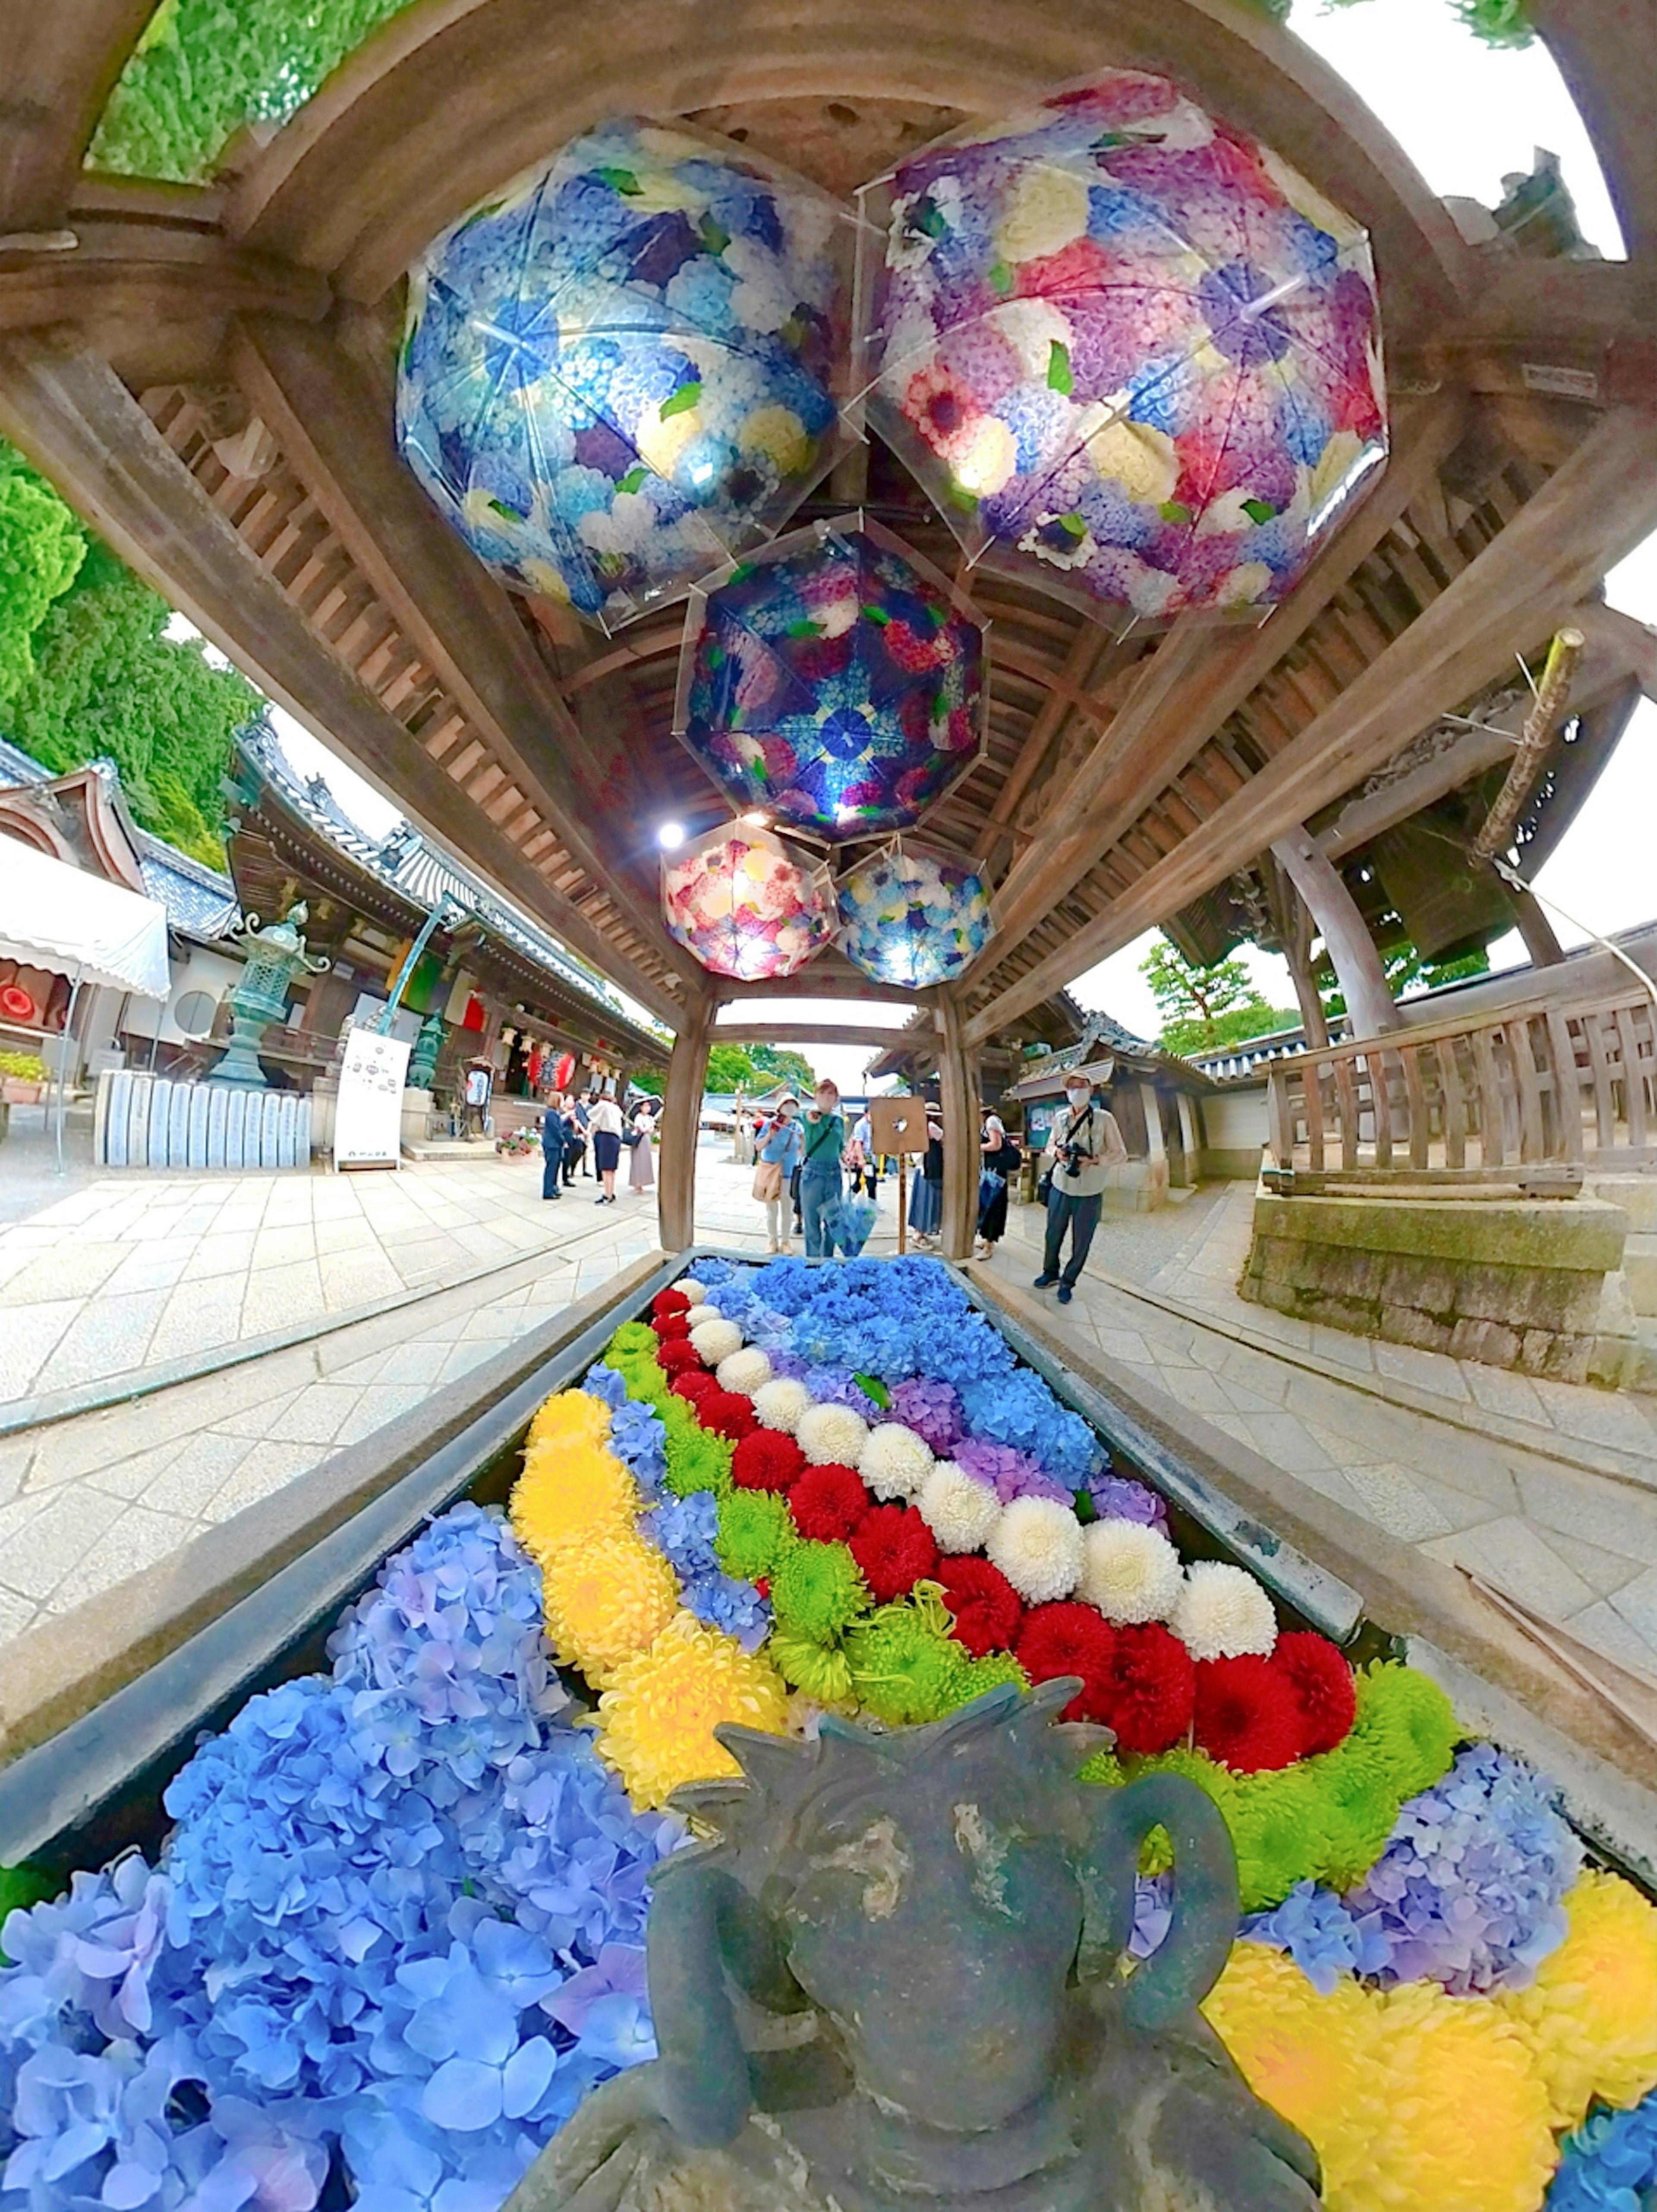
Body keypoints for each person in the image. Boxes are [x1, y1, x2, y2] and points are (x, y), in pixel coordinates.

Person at [1035, 1076, 1128, 1304]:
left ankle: (1068, 1283)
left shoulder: (1104, 1119)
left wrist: (1095, 1160)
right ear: (1067, 1092)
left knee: (1082, 1241)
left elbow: (1120, 1154)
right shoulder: (1060, 1118)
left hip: (1090, 1191)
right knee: (1052, 1233)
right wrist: (1057, 1153)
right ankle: (1050, 1272)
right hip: (1061, 1185)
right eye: (1072, 1087)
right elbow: (1050, 1144)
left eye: (1081, 1086)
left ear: (1091, 1089)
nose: (1077, 1091)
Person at [799, 1079, 846, 1259]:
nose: (826, 1098)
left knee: (833, 1223)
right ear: (816, 1096)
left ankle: (827, 1261)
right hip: (813, 1173)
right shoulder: (809, 1116)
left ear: (836, 1099)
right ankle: (813, 1262)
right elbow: (809, 1119)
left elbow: (840, 1145)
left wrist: (847, 1155)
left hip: (834, 1172)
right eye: (822, 1093)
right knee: (812, 1222)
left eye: (831, 1094)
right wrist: (813, 1118)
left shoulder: (839, 1121)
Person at [753, 1095, 803, 1253]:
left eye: (793, 1104)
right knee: (771, 1208)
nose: (789, 1107)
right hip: (772, 1172)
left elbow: (803, 1150)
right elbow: (759, 1147)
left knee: (787, 1208)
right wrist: (770, 1135)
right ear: (780, 1107)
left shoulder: (798, 1127)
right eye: (786, 1104)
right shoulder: (769, 1125)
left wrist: (803, 1142)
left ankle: (786, 1241)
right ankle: (772, 1240)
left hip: (789, 1172)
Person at [976, 1111, 1020, 1259]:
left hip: (996, 1173)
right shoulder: (988, 1122)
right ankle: (987, 1239)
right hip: (991, 1171)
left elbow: (996, 1145)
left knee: (993, 1207)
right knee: (987, 1205)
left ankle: (989, 1245)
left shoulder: (991, 1122)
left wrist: (978, 1147)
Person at [909, 1108, 944, 1245]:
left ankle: (920, 1232)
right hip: (930, 1168)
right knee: (928, 1202)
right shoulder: (931, 1126)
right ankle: (919, 1234)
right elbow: (944, 1137)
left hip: (921, 1167)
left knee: (921, 1201)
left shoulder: (918, 1127)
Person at [588, 1087, 624, 1205]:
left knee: (605, 1169)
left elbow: (591, 1114)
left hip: (606, 1136)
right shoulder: (616, 1109)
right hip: (616, 1138)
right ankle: (611, 1192)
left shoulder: (603, 1105)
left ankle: (607, 1195)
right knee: (611, 1169)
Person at [848, 1104, 879, 1198]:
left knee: (868, 1184)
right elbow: (858, 1143)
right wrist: (861, 1159)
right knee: (870, 1183)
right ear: (865, 1114)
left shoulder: (875, 1124)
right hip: (864, 1156)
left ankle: (850, 1199)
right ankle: (871, 1204)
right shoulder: (861, 1125)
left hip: (870, 1156)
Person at [627, 1101, 655, 1195]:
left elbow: (651, 1130)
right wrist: (648, 1127)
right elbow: (641, 1129)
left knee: (646, 1161)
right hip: (639, 1140)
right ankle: (637, 1183)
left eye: (649, 1106)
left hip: (647, 1140)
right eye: (645, 1106)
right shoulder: (638, 1117)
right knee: (638, 1161)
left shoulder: (650, 1118)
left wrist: (650, 1127)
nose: (647, 1108)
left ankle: (644, 1181)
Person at [539, 1100, 565, 1202]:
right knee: (551, 1168)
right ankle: (548, 1191)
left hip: (556, 1145)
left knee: (556, 1168)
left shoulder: (555, 1113)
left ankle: (553, 1188)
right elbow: (556, 1130)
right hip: (552, 1145)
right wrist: (562, 1140)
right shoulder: (551, 1113)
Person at [558, 1095, 586, 1185]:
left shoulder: (574, 1113)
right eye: (569, 1100)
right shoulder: (561, 1111)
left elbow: (576, 1128)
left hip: (570, 1136)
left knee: (568, 1158)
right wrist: (568, 1115)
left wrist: (575, 1122)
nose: (571, 1102)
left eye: (573, 1100)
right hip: (561, 1136)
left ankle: (565, 1178)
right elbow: (560, 1122)